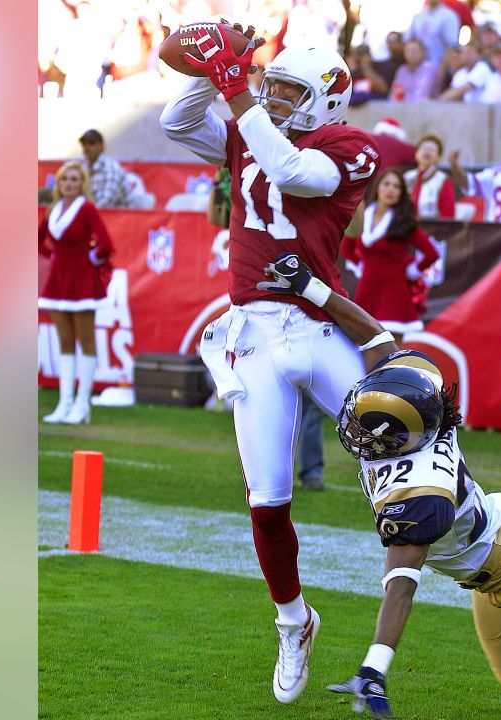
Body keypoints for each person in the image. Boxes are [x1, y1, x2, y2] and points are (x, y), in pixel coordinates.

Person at [158, 21, 380, 705]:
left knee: (395, 449)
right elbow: (174, 123)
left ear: (326, 100)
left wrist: (237, 89)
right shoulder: (248, 132)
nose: (273, 96)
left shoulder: (347, 146)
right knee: (266, 500)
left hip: (318, 326)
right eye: (271, 85)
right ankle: (293, 621)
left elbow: (289, 169)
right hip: (253, 333)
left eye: (288, 89)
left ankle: (478, 535)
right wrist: (211, 62)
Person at [256, 252, 501, 719]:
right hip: (483, 577)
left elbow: (401, 584)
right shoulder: (415, 398)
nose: (357, 429)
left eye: (370, 429)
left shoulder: (422, 489)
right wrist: (309, 286)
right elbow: (375, 337)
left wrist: (374, 667)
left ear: (398, 439)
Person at [38, 161, 114, 424]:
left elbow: (106, 244)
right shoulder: (53, 210)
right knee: (65, 344)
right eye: (64, 179)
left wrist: (87, 260)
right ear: (58, 184)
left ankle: (82, 406)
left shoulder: (87, 208)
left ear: (82, 183)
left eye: (73, 179)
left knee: (86, 341)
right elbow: (38, 240)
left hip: (82, 282)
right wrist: (57, 257)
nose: (68, 184)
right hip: (58, 282)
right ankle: (64, 403)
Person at [341, 169, 441, 344]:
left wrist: (412, 270)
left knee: (392, 351)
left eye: (396, 187)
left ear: (401, 194)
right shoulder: (363, 216)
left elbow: (432, 254)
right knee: (362, 346)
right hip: (366, 290)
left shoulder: (403, 222)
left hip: (394, 293)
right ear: (378, 187)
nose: (391, 190)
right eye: (386, 184)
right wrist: (361, 267)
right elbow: (347, 249)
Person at [403, 134, 457, 220]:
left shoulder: (443, 180)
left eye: (432, 150)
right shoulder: (407, 177)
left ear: (438, 157)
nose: (427, 152)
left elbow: (448, 216)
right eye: (424, 148)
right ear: (416, 154)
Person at [78, 128, 132, 208]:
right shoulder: (84, 168)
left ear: (102, 146)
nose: (86, 147)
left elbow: (107, 202)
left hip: (117, 217)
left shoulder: (110, 168)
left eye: (91, 143)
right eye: (83, 144)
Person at [404, 0, 460, 68]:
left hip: (437, 67)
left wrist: (441, 70)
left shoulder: (449, 16)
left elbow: (452, 46)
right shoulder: (419, 15)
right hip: (418, 69)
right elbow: (408, 40)